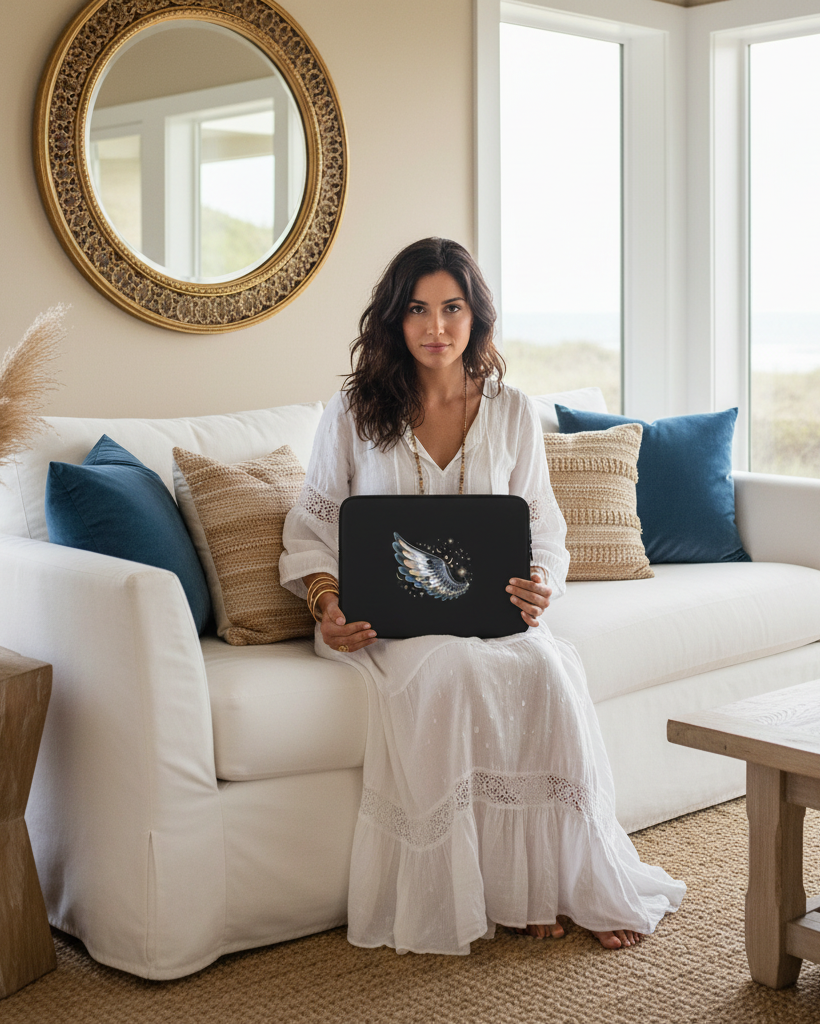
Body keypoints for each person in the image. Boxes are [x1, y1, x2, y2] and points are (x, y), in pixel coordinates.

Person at [280, 237, 684, 954]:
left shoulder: (512, 411)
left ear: (477, 318)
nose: (436, 327)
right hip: (385, 627)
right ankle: (506, 896)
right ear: (394, 321)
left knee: (550, 670)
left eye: (453, 309)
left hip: (493, 618)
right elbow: (311, 531)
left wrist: (540, 588)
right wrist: (325, 604)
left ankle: (552, 888)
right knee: (455, 669)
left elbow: (544, 526)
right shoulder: (353, 412)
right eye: (418, 310)